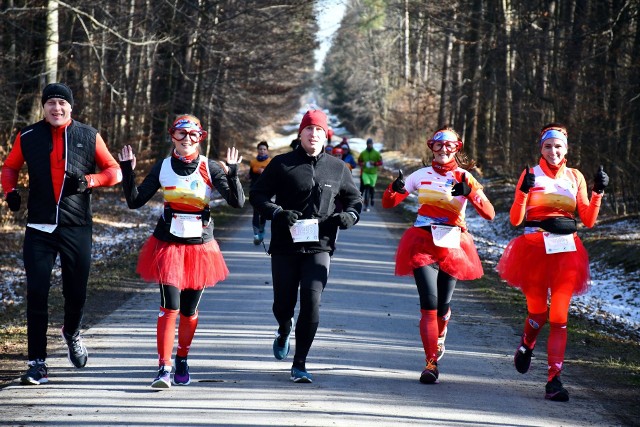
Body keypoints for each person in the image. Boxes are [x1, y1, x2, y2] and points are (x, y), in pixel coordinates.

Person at [0, 83, 122, 385]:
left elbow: (114, 171)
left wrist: (89, 181)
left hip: (76, 226)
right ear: (43, 107)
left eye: (62, 103)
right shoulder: (28, 136)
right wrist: (10, 192)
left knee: (76, 292)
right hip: (39, 227)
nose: (56, 108)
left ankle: (72, 332)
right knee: (37, 293)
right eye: (51, 103)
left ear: (71, 107)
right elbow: (9, 167)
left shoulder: (88, 135)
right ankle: (37, 362)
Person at [118, 114, 245, 388]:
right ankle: (164, 367)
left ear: (201, 137)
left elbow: (238, 202)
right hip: (168, 245)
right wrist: (127, 171)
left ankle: (183, 358)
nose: (186, 139)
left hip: (200, 248)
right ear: (172, 136)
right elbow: (135, 201)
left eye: (193, 134)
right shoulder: (163, 166)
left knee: (189, 311)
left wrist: (233, 174)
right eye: (180, 134)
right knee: (169, 307)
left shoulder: (209, 166)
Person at [496, 123, 609, 402]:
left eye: (558, 146)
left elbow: (589, 220)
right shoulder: (530, 173)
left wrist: (597, 193)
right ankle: (526, 344)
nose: (554, 151)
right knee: (538, 313)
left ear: (566, 149)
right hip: (534, 248)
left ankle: (554, 380)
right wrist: (523, 192)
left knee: (559, 317)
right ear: (541, 148)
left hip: (567, 250)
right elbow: (515, 219)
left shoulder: (575, 176)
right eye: (548, 146)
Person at [250, 109, 362, 383]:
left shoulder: (338, 168)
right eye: (309, 129)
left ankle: (299, 363)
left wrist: (350, 216)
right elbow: (258, 194)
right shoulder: (281, 164)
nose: (314, 134)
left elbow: (354, 200)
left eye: (319, 130)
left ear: (326, 136)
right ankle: (284, 327)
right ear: (300, 133)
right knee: (283, 304)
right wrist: (277, 212)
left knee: (312, 303)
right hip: (285, 246)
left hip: (320, 246)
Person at [382, 126, 495, 384]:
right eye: (438, 144)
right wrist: (393, 188)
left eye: (450, 145)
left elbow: (490, 213)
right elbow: (390, 203)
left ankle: (442, 331)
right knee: (429, 305)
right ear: (430, 146)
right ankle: (430, 364)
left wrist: (470, 194)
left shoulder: (465, 177)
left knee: (443, 306)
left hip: (453, 243)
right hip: (422, 242)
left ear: (457, 148)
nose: (443, 149)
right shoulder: (420, 175)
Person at [249, 141, 271, 245]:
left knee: (263, 212)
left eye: (264, 149)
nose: (262, 151)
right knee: (255, 212)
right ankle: (256, 235)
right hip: (254, 190)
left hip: (266, 191)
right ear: (257, 150)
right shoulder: (253, 162)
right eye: (260, 149)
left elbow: (273, 177)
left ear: (267, 151)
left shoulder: (270, 162)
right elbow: (250, 176)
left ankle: (262, 230)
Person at [357, 138, 382, 211]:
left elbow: (381, 162)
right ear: (366, 144)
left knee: (372, 188)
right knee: (367, 187)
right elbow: (359, 161)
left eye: (370, 144)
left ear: (372, 144)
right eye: (368, 144)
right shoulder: (363, 153)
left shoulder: (376, 153)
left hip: (373, 174)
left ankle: (372, 199)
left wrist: (374, 163)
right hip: (365, 173)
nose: (369, 145)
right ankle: (366, 205)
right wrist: (362, 163)